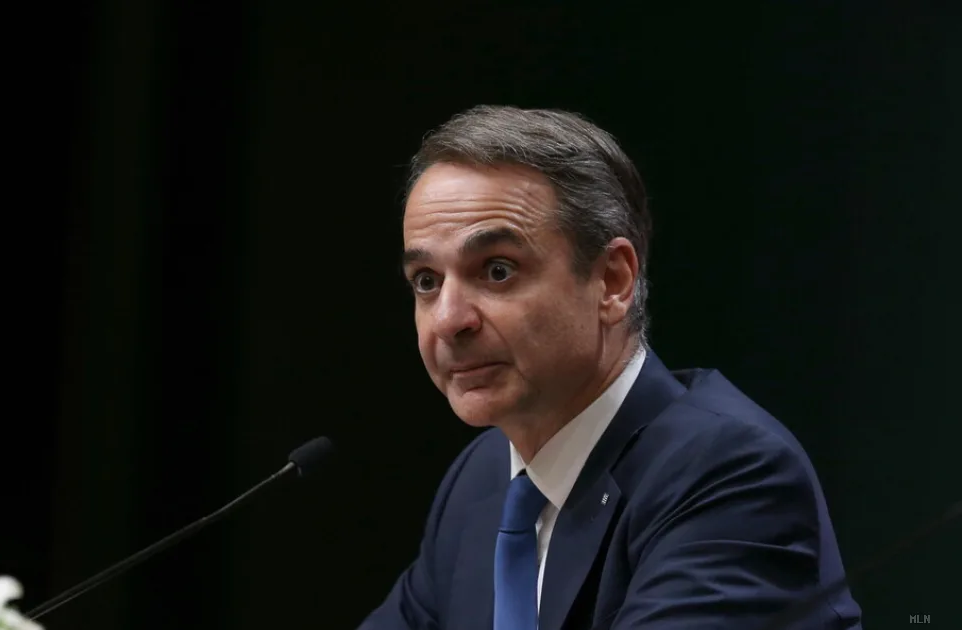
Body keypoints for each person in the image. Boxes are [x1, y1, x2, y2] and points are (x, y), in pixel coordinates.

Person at [359, 105, 862, 630]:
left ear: (612, 282)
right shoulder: (480, 479)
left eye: (498, 270)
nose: (448, 320)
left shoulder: (730, 474)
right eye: (426, 281)